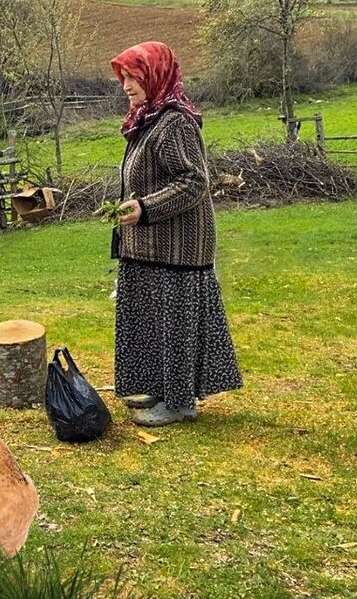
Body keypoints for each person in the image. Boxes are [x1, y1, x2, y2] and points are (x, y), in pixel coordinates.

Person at [109, 42, 243, 426]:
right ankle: (164, 387)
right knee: (154, 321)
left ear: (155, 76)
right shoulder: (147, 119)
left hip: (178, 246)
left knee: (176, 325)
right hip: (149, 243)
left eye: (133, 77)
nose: (126, 86)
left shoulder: (175, 122)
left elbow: (193, 182)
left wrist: (147, 208)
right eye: (124, 78)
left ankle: (180, 403)